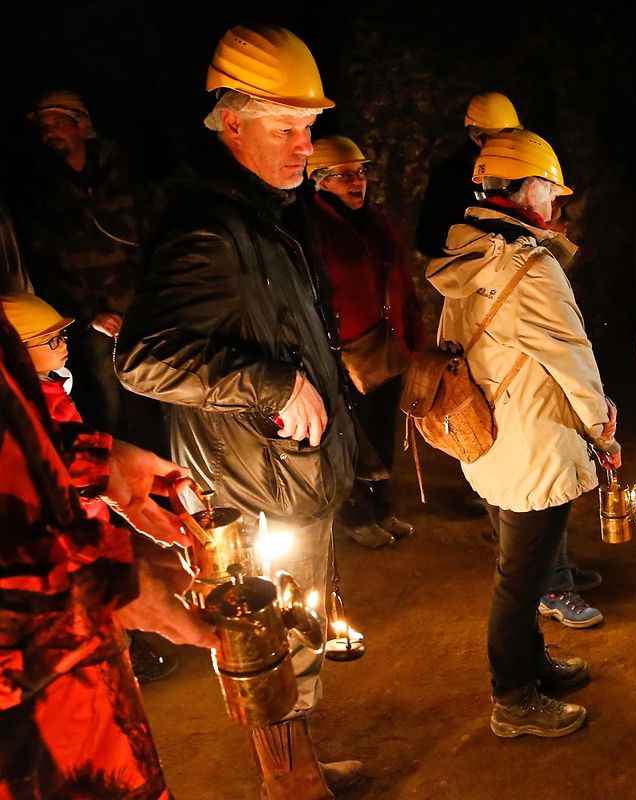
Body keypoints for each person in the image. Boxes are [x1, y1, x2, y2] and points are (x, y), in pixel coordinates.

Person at [115, 24, 360, 798]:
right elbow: (143, 357)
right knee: (271, 636)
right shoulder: (210, 228)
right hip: (253, 480)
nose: (304, 146)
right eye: (284, 128)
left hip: (281, 466)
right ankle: (289, 781)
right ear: (231, 124)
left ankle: (298, 765)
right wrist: (273, 385)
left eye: (308, 126)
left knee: (295, 629)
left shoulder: (262, 216)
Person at [426, 128, 620, 738]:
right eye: (551, 191)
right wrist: (603, 431)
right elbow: (574, 360)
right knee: (521, 579)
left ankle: (532, 664)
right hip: (534, 442)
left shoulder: (467, 255)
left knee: (520, 568)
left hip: (487, 436)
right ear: (528, 187)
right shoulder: (529, 265)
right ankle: (513, 698)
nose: (555, 203)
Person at [0, 303, 216, 799]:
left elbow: (19, 450)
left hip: (79, 696)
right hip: (31, 733)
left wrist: (102, 461)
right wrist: (104, 583)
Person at [3, 291, 181, 683]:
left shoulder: (48, 388)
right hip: (72, 536)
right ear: (15, 354)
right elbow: (49, 463)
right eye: (50, 340)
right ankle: (123, 659)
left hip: (90, 513)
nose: (62, 344)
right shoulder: (30, 410)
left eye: (62, 335)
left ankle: (125, 651)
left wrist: (105, 468)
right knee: (97, 613)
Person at [306, 135, 428, 547]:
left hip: (386, 346)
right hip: (345, 354)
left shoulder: (376, 221)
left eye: (360, 172)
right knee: (352, 439)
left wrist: (414, 336)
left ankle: (382, 508)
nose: (357, 181)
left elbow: (403, 280)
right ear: (320, 181)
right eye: (344, 176)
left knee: (380, 433)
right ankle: (356, 515)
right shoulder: (314, 229)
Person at [16, 90, 155, 442]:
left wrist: (153, 301)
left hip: (142, 313)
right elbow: (43, 264)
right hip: (91, 323)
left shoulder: (122, 172)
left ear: (81, 125)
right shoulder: (40, 190)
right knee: (109, 405)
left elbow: (153, 237)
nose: (49, 133)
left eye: (57, 123)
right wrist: (92, 314)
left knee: (154, 397)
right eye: (43, 128)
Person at [415, 91, 523, 259]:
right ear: (477, 137)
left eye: (509, 135)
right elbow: (427, 241)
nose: (505, 144)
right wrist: (473, 252)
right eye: (498, 138)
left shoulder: (518, 169)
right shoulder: (450, 177)